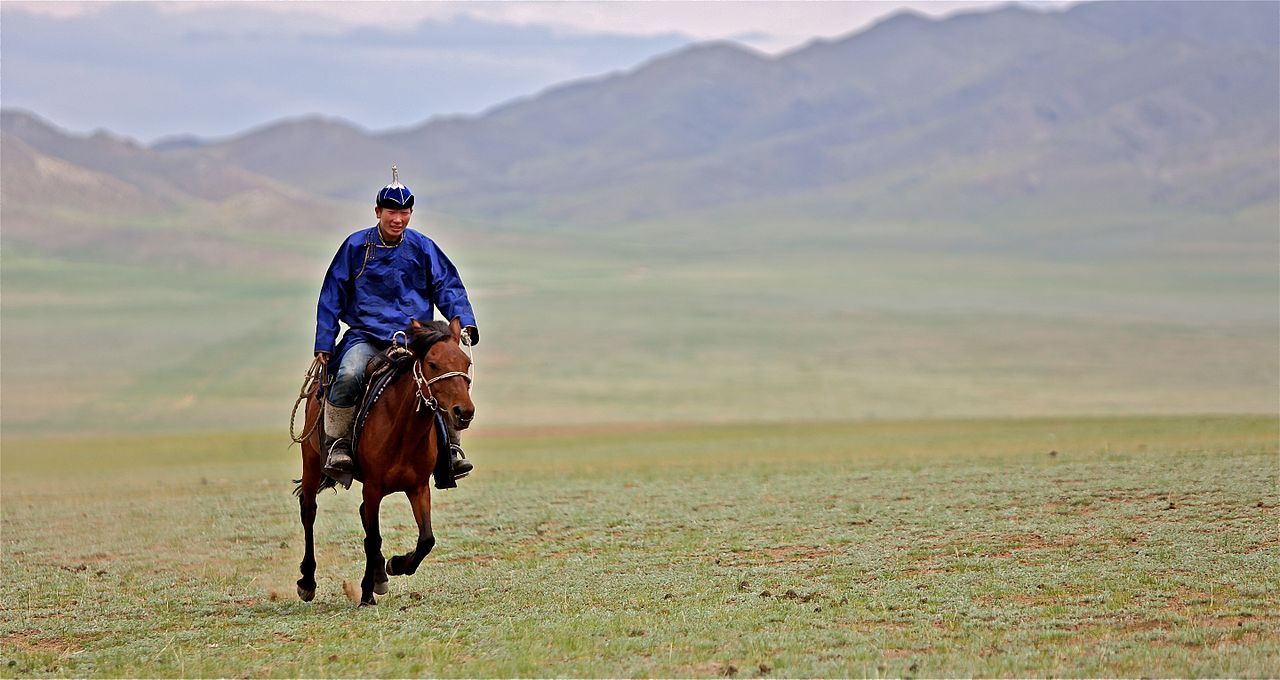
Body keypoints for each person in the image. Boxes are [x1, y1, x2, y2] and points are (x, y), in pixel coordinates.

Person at [314, 166, 479, 485]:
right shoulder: (355, 247)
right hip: (366, 336)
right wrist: (324, 341)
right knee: (347, 374)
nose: (398, 219)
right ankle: (339, 446)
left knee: (443, 378)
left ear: (410, 213)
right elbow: (332, 293)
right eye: (391, 211)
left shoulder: (423, 247)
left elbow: (448, 285)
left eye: (404, 212)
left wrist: (465, 321)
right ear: (378, 211)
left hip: (414, 340)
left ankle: (451, 451)